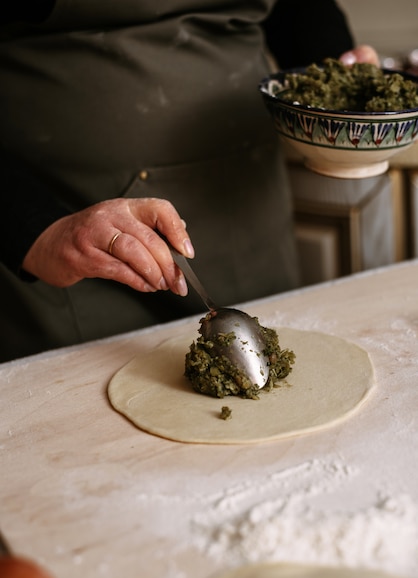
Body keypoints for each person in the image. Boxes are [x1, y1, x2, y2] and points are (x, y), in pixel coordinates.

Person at [0, 1, 378, 362]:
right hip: (70, 224)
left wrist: (338, 77)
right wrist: (38, 229)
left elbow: (297, 9)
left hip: (245, 206)